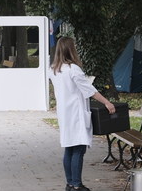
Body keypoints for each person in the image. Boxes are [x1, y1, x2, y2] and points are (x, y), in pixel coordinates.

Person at [48, 37, 115, 191]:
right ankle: (77, 185)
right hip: (75, 112)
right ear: (71, 49)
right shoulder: (73, 69)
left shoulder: (53, 69)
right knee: (78, 147)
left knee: (69, 147)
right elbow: (90, 91)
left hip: (64, 112)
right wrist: (107, 102)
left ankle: (70, 183)